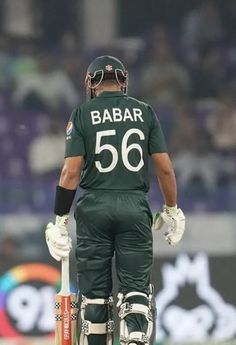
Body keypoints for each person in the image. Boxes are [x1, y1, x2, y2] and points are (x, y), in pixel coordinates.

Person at [45, 56, 185, 345]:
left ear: (91, 84)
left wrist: (59, 219)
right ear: (123, 82)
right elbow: (165, 168)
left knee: (94, 298)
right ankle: (134, 337)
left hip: (94, 209)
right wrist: (171, 209)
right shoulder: (145, 112)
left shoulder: (82, 113)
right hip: (135, 208)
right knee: (135, 292)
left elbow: (70, 173)